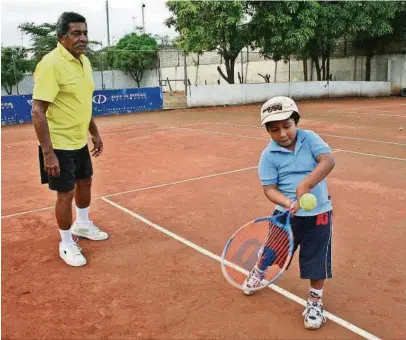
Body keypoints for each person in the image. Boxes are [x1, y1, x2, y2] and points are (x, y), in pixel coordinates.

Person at [242, 96, 336, 330]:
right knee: (274, 252)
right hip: (286, 216)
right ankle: (259, 270)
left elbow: (328, 161)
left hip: (320, 215)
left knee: (317, 260)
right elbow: (269, 189)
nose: (282, 134)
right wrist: (286, 201)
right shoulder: (268, 156)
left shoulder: (311, 138)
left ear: (296, 122)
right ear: (267, 131)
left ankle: (315, 303)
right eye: (274, 130)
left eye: (287, 126)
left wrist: (306, 185)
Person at [31, 12, 108, 267]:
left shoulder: (84, 62)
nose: (83, 38)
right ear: (61, 37)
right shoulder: (51, 64)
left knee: (85, 182)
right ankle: (66, 242)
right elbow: (38, 110)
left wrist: (94, 132)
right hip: (59, 143)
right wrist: (48, 153)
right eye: (76, 33)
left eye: (85, 33)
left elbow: (82, 103)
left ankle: (83, 224)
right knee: (66, 193)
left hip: (78, 141)